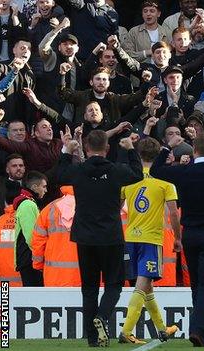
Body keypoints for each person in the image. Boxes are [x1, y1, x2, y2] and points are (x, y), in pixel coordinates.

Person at [56, 130, 143, 348]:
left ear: (86, 149)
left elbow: (59, 174)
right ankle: (102, 317)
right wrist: (130, 149)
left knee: (89, 289)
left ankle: (92, 339)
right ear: (107, 149)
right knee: (114, 285)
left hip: (84, 237)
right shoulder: (115, 170)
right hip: (110, 236)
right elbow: (137, 174)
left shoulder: (78, 170)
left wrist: (67, 150)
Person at [149, 133, 204, 347]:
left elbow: (155, 170)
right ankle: (198, 329)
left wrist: (169, 147)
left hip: (191, 234)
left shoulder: (185, 172)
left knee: (196, 285)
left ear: (194, 151)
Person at [119, 137, 181, 344]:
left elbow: (117, 209)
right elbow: (173, 214)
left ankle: (162, 329)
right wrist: (178, 238)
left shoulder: (128, 181)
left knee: (147, 288)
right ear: (159, 157)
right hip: (150, 239)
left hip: (130, 238)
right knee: (142, 284)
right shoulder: (165, 184)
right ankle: (127, 331)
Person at [30, 185, 80, 287]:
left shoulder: (49, 209)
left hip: (54, 278)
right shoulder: (95, 209)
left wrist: (38, 265)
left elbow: (38, 242)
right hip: (86, 278)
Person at [13, 170, 47, 286]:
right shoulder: (28, 205)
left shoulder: (27, 203)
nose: (45, 190)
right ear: (34, 187)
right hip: (30, 260)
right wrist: (40, 258)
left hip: (28, 259)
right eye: (43, 186)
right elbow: (31, 237)